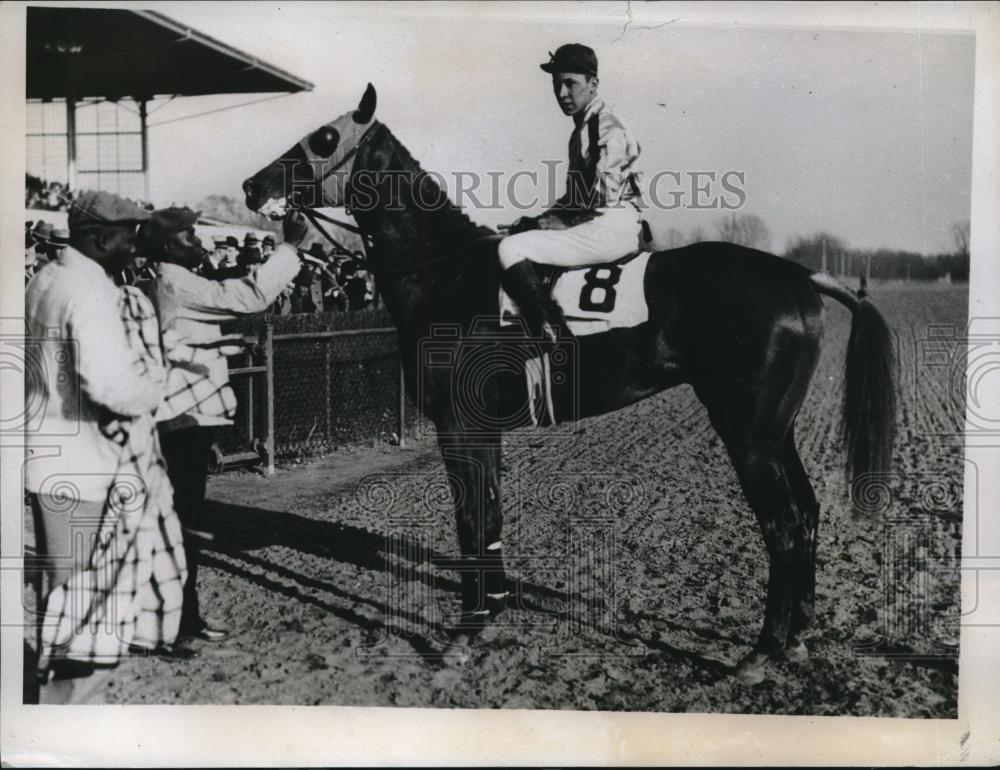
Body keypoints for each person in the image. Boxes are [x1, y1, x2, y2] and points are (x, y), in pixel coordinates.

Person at [24, 191, 189, 703]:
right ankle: (51, 727)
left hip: (47, 457)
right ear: (99, 238)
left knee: (65, 596)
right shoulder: (90, 290)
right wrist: (161, 386)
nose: (135, 244)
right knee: (82, 617)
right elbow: (111, 387)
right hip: (81, 466)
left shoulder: (46, 279)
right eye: (127, 235)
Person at [146, 207, 307, 642]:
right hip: (183, 417)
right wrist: (289, 246)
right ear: (167, 248)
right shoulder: (177, 282)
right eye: (187, 237)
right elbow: (250, 296)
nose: (198, 242)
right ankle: (176, 622)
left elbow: (191, 338)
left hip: (188, 415)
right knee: (184, 521)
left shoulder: (175, 282)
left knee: (185, 520)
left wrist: (231, 343)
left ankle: (184, 618)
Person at [498, 43, 646, 344]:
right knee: (520, 238)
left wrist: (564, 221)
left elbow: (603, 194)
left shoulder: (605, 128)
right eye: (557, 85)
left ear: (593, 85)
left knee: (509, 250)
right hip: (600, 221)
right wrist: (539, 220)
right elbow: (576, 196)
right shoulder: (583, 127)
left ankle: (545, 332)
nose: (562, 94)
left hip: (609, 224)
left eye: (570, 84)